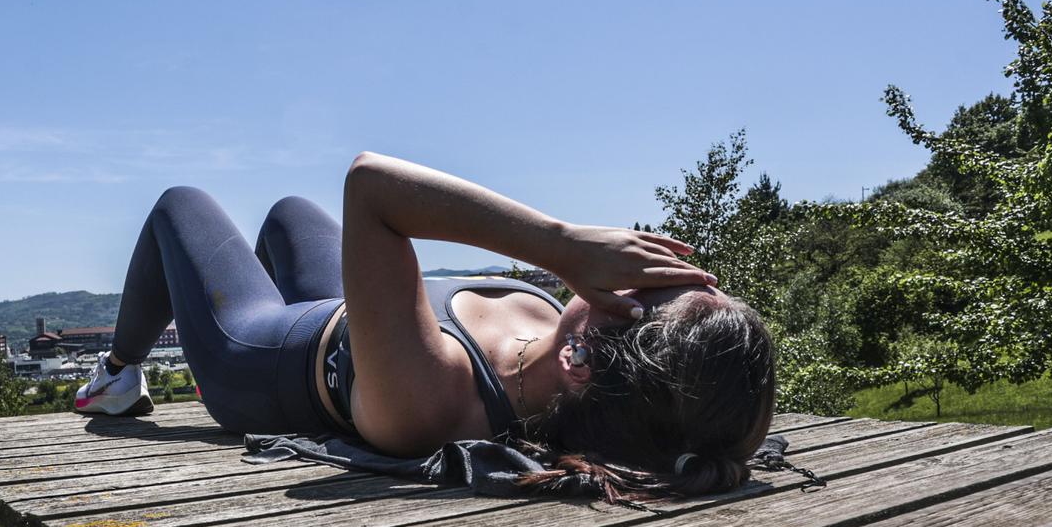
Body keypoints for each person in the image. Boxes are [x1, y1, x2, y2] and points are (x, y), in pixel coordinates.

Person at [73, 152, 777, 499]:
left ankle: (117, 374)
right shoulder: (568, 359)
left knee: (179, 204)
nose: (624, 269)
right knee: (289, 211)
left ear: (583, 358)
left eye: (640, 289)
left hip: (257, 354)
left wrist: (561, 245)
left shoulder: (440, 397)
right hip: (349, 319)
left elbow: (371, 186)